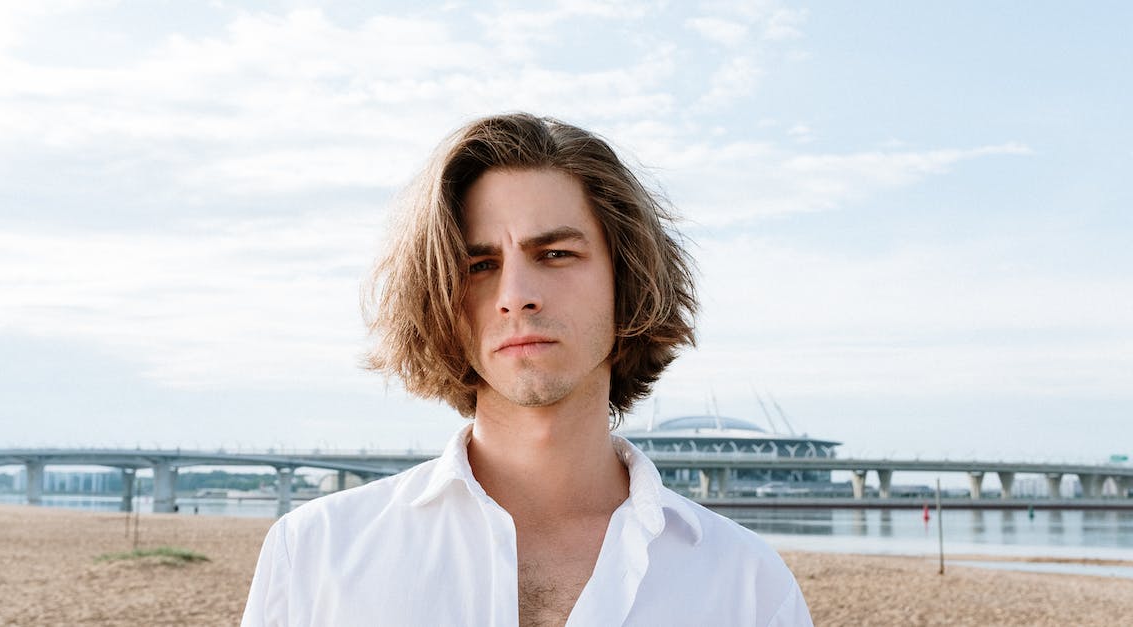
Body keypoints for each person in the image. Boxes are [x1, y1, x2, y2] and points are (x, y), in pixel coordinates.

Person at [242, 113, 813, 626]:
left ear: (628, 279)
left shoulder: (749, 587)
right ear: (437, 299)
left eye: (556, 254)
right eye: (479, 265)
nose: (516, 296)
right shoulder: (315, 556)